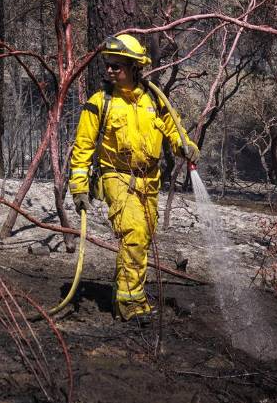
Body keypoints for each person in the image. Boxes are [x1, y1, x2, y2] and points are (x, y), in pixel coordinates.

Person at [68, 34, 199, 323]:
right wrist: (78, 186)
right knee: (135, 234)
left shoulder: (153, 99)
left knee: (142, 237)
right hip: (116, 176)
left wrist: (185, 146)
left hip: (149, 181)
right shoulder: (99, 103)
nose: (111, 70)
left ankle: (124, 290)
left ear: (135, 67)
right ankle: (130, 305)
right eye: (108, 65)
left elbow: (174, 129)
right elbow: (83, 147)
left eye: (118, 65)